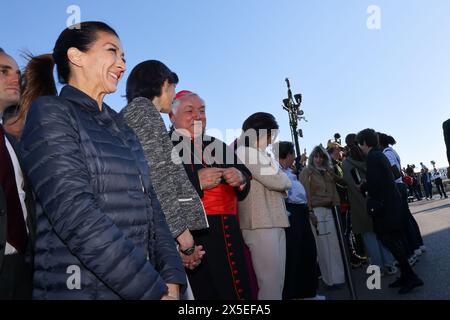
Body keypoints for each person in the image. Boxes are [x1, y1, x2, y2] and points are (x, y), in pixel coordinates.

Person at [19, 21, 186, 299]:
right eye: (112, 51)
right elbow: (75, 214)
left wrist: (170, 277)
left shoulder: (123, 128)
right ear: (76, 56)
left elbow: (152, 206)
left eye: (123, 57)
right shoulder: (50, 113)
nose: (121, 64)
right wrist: (150, 289)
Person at [120, 60, 208, 275]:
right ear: (164, 84)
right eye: (173, 88)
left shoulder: (139, 112)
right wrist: (184, 239)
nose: (174, 94)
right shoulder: (144, 111)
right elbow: (159, 178)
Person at [169, 90, 252, 300]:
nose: (198, 116)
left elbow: (245, 176)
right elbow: (160, 190)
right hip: (192, 236)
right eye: (190, 111)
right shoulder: (163, 146)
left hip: (229, 230)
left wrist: (240, 177)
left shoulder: (217, 144)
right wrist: (196, 182)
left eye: (202, 110)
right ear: (172, 116)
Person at [356, 129, 423, 294]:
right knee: (392, 241)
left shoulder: (372, 157)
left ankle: (410, 276)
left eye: (360, 143)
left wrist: (363, 185)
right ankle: (406, 275)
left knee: (389, 240)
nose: (359, 146)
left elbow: (375, 183)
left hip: (384, 207)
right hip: (391, 204)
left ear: (365, 143)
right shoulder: (380, 154)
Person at [236, 113, 291, 300]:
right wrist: (284, 181)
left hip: (273, 220)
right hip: (259, 222)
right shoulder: (245, 152)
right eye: (271, 135)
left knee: (277, 282)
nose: (271, 140)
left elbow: (280, 179)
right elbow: (277, 180)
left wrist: (282, 180)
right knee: (269, 284)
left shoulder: (262, 154)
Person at [0, 47, 35, 299]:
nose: (15, 79)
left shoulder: (12, 145)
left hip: (24, 266)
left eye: (17, 73)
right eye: (3, 71)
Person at [273, 141, 322, 300]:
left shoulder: (289, 171)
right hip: (291, 213)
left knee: (308, 251)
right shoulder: (276, 171)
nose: (295, 157)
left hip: (301, 213)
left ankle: (308, 292)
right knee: (294, 255)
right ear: (286, 154)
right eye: (293, 153)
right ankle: (294, 294)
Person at [342, 134, 397, 275]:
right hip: (376, 201)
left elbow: (349, 184)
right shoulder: (368, 158)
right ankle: (390, 263)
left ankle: (378, 267)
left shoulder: (347, 163)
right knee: (382, 234)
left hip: (360, 205)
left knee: (369, 237)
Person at [299, 146, 345, 288]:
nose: (318, 159)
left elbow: (342, 182)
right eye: (316, 156)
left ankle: (339, 278)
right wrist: (310, 212)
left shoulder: (328, 172)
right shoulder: (307, 172)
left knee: (335, 245)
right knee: (323, 247)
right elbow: (305, 194)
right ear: (312, 158)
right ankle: (329, 280)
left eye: (321, 157)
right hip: (317, 212)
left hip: (331, 210)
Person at [378, 133, 425, 262]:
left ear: (380, 143)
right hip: (401, 185)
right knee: (408, 218)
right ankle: (419, 244)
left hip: (397, 186)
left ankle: (414, 249)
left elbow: (395, 172)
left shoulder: (387, 154)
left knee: (404, 221)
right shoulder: (391, 151)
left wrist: (385, 181)